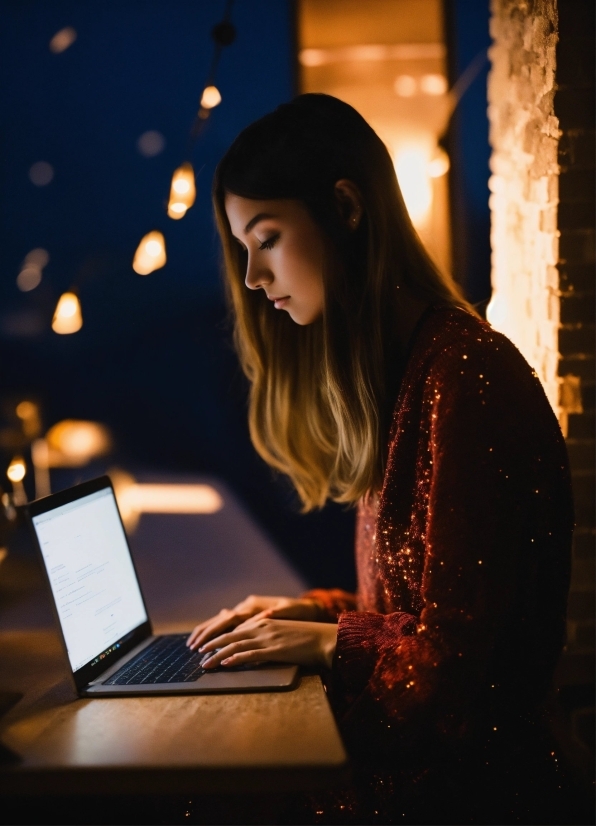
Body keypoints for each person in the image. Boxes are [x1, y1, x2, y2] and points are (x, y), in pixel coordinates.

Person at [187, 94, 574, 823]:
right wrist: (310, 614)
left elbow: (452, 670)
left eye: (265, 239)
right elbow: (408, 614)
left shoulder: (467, 378)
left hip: (469, 795)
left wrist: (322, 641)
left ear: (345, 207)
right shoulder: (411, 373)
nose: (252, 278)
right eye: (242, 249)